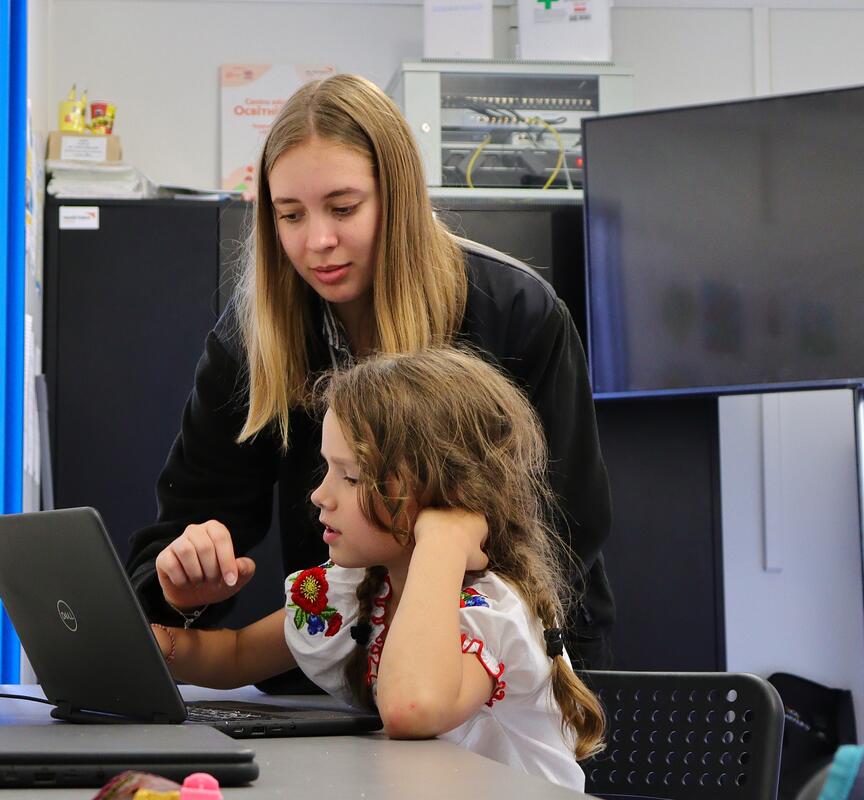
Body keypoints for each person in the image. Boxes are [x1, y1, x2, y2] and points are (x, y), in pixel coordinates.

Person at [125, 73, 613, 669]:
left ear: (398, 196)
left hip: (509, 667)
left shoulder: (517, 313)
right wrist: (181, 587)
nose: (317, 241)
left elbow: (567, 528)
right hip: (343, 669)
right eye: (290, 216)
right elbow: (186, 528)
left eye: (343, 208)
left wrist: (422, 610)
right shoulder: (253, 342)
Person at [149, 348, 605, 789]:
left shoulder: (492, 612)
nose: (320, 496)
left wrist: (443, 540)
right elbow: (236, 657)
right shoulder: (357, 590)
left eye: (350, 477)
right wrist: (150, 641)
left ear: (441, 489)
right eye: (327, 469)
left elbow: (411, 708)